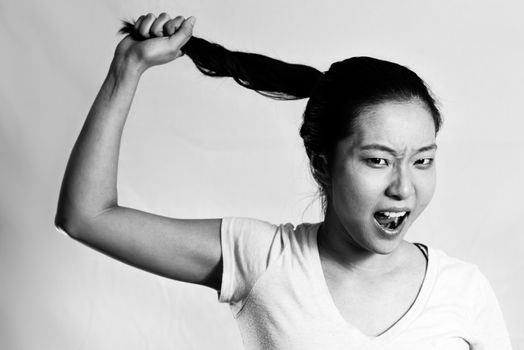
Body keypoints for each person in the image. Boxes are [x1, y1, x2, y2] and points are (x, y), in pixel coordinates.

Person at [54, 12, 513, 350]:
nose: (403, 188)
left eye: (422, 161)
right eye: (378, 160)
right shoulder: (264, 260)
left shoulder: (463, 290)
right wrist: (126, 70)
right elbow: (86, 216)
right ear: (321, 165)